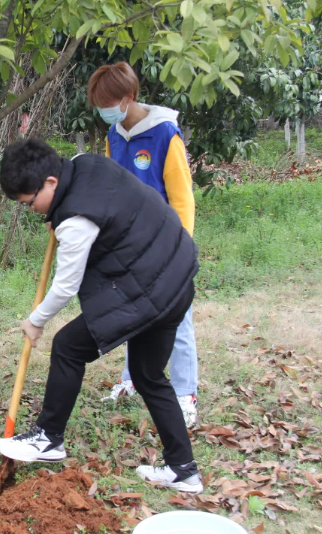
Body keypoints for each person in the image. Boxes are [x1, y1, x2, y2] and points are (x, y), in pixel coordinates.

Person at [0, 139, 203, 493]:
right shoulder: (84, 163)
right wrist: (55, 215)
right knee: (148, 375)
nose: (30, 210)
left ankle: (48, 437)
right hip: (177, 274)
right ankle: (184, 470)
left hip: (149, 286)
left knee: (68, 346)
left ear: (51, 182)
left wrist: (36, 320)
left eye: (29, 202)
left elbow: (66, 285)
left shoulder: (75, 221)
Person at [87, 62, 199, 428]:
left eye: (109, 102)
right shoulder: (115, 135)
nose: (104, 110)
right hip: (129, 244)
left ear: (129, 97)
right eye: (99, 104)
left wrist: (179, 250)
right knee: (133, 314)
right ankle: (130, 380)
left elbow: (182, 199)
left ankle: (184, 393)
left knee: (176, 318)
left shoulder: (166, 133)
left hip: (167, 243)